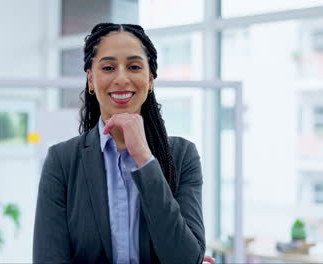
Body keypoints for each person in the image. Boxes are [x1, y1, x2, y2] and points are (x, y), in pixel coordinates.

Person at [33, 23, 206, 264]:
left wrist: (145, 159)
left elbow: (185, 259)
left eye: (134, 66)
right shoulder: (62, 161)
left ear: (150, 79)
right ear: (91, 79)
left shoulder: (182, 156)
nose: (121, 78)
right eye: (108, 67)